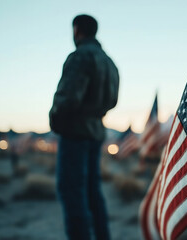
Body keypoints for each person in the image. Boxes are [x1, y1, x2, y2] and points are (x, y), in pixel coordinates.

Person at [49, 14, 119, 239]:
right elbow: (112, 101)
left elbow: (67, 98)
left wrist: (56, 121)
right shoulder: (109, 62)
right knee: (92, 192)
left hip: (75, 133)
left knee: (72, 193)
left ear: (77, 30)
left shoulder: (80, 57)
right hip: (96, 132)